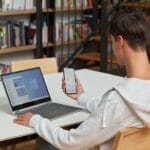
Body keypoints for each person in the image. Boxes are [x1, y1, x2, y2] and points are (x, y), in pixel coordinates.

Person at [14, 11, 150, 150]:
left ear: (120, 41)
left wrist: (35, 120)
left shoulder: (118, 100)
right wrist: (81, 97)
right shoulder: (135, 93)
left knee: (45, 144)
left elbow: (70, 142)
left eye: (112, 41)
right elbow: (113, 113)